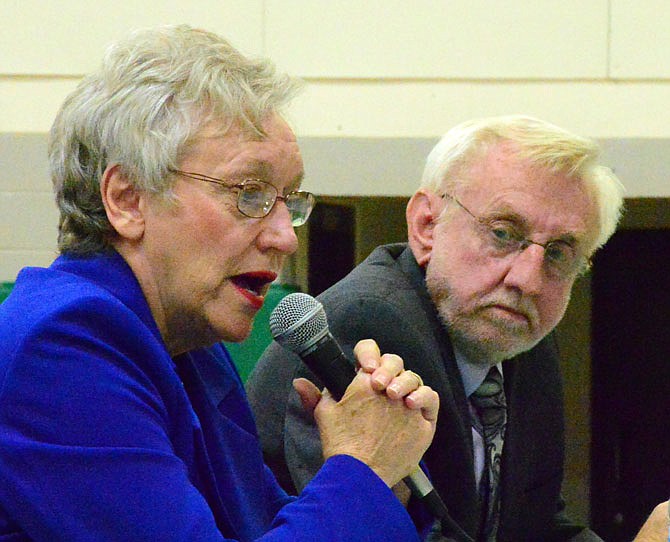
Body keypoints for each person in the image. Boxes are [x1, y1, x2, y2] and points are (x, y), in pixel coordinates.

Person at [0, 25, 440, 541]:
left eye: (289, 200)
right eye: (249, 194)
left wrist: (386, 472)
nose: (285, 238)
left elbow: (258, 526)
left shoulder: (189, 342)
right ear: (127, 199)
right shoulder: (60, 349)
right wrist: (360, 468)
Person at [246, 115, 625, 541]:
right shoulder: (366, 325)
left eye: (558, 254)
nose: (527, 280)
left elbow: (532, 525)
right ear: (427, 226)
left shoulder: (519, 333)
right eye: (502, 233)